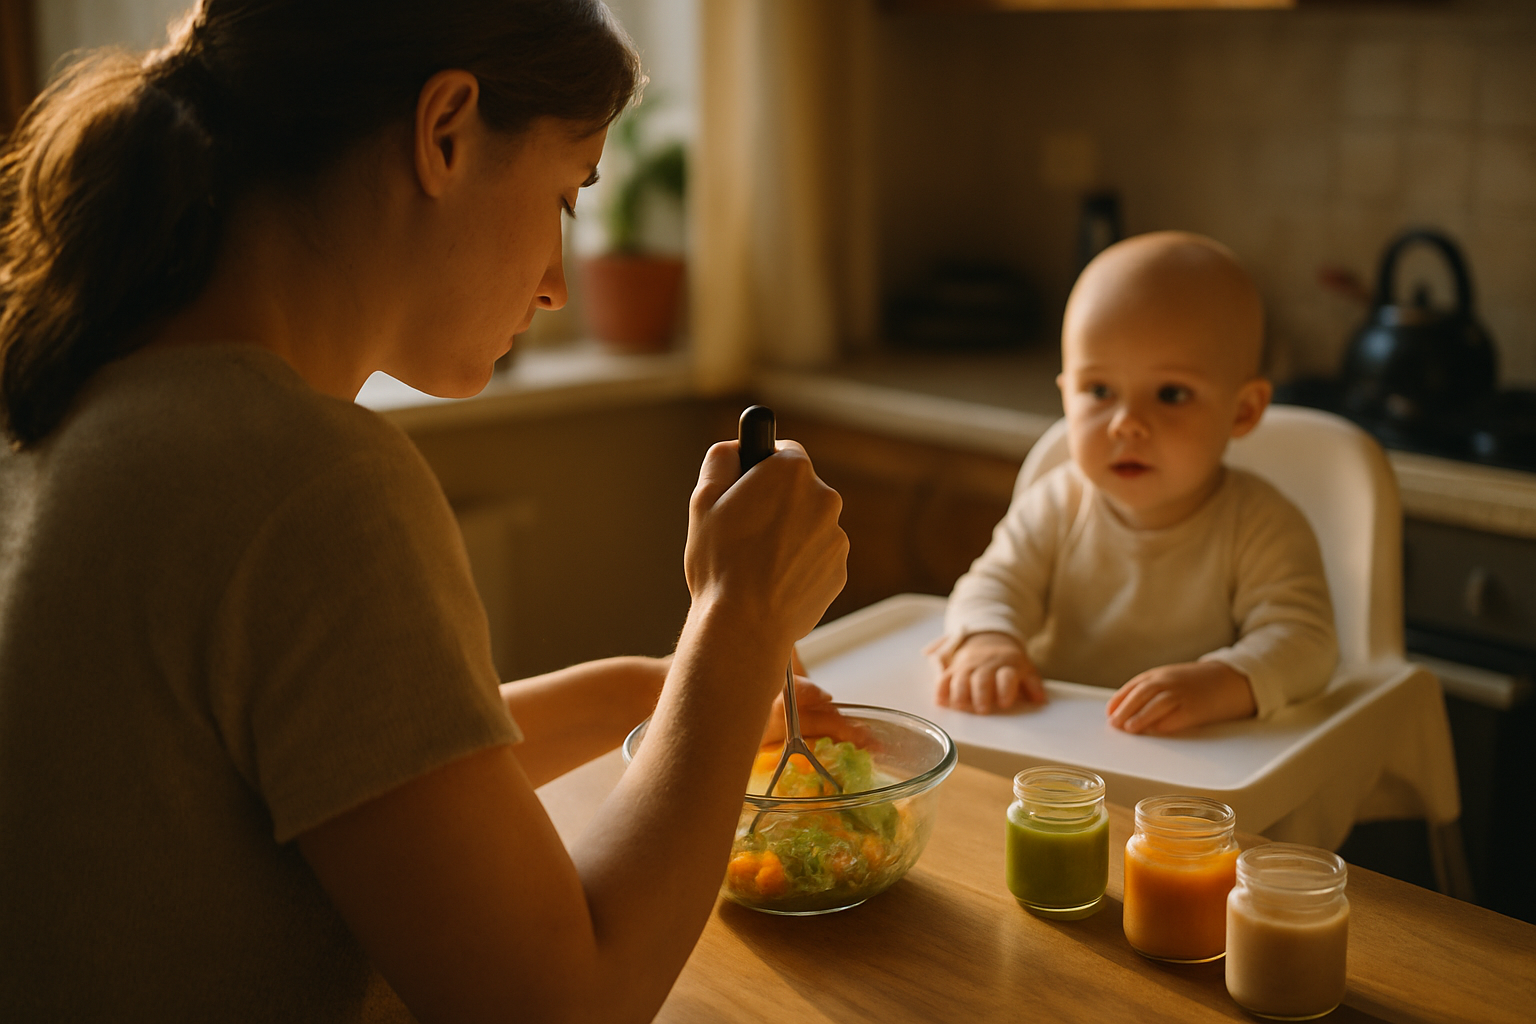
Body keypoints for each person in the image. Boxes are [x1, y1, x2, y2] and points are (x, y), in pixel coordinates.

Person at [0, 2, 849, 1021]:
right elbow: (567, 1005)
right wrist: (739, 620)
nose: (555, 286)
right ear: (445, 131)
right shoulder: (301, 481)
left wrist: (653, 692)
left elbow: (370, 772)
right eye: (567, 196)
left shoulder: (91, 402)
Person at [929, 231, 1337, 734]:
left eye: (1170, 394)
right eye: (1099, 389)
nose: (1126, 423)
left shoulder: (1260, 524)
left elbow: (1305, 642)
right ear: (1066, 395)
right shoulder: (1056, 503)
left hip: (1191, 759)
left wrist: (1221, 683)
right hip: (1053, 742)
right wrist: (988, 640)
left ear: (1243, 410)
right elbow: (992, 585)